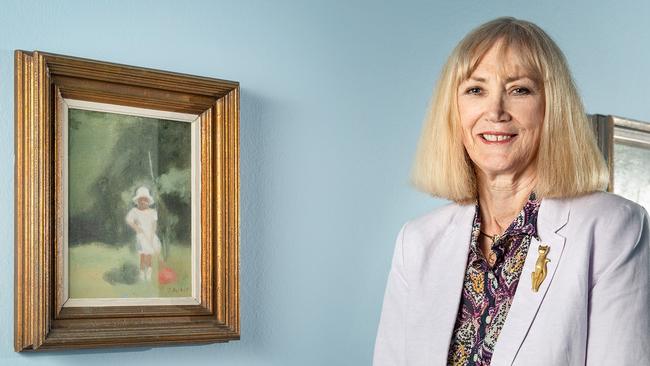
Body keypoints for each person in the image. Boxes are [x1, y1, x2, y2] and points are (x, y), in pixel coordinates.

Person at [373, 17, 649, 365]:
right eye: (475, 90)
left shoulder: (613, 227)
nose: (496, 111)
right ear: (453, 111)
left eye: (520, 89)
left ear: (552, 109)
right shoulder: (416, 241)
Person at [126, 186, 162, 281]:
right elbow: (129, 220)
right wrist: (137, 228)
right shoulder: (135, 211)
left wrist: (152, 234)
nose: (143, 202)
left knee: (149, 256)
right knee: (143, 255)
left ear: (148, 201)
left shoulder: (152, 212)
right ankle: (142, 274)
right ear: (137, 201)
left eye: (145, 200)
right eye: (140, 200)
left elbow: (154, 224)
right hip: (142, 236)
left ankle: (149, 274)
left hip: (150, 235)